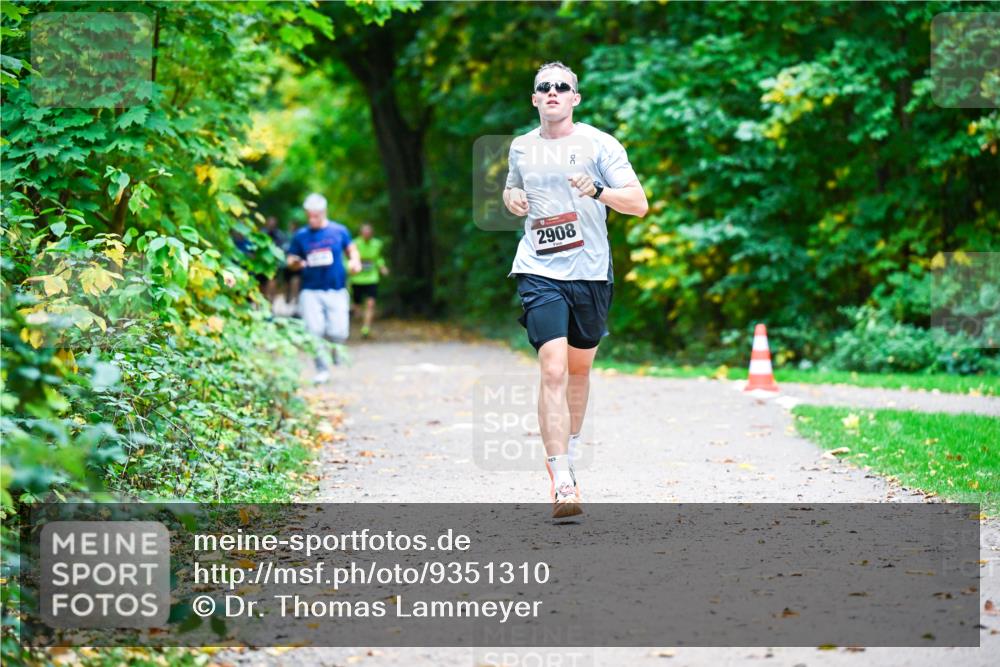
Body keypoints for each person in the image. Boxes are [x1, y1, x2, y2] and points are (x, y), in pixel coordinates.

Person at [502, 62, 648, 518]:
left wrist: (599, 191)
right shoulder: (521, 148)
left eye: (561, 87)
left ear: (574, 99)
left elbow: (639, 204)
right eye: (543, 87)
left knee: (579, 371)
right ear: (534, 99)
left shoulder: (599, 144)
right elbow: (512, 188)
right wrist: (512, 199)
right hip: (538, 269)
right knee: (553, 369)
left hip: (589, 272)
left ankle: (570, 443)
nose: (552, 93)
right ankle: (562, 477)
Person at [287, 193, 362, 383]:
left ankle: (336, 349)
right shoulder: (301, 236)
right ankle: (322, 370)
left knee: (339, 332)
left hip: (336, 289)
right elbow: (291, 259)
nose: (312, 219)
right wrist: (295, 263)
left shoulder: (339, 231)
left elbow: (351, 250)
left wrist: (354, 262)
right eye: (309, 216)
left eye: (316, 216)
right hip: (310, 290)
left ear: (324, 212)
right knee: (314, 331)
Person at [350, 223, 389, 339]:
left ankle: (366, 327)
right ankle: (356, 316)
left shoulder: (377, 244)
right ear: (361, 233)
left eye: (369, 232)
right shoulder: (354, 243)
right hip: (357, 279)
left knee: (370, 304)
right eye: (364, 232)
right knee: (357, 308)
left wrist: (382, 267)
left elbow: (378, 258)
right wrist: (351, 267)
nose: (366, 234)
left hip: (372, 278)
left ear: (372, 233)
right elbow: (349, 258)